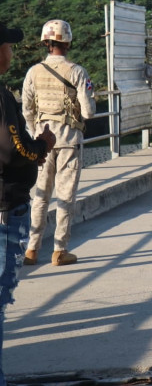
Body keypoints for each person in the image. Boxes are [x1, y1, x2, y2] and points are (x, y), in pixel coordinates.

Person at [0, 22, 55, 383]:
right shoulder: (1, 95)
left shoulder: (31, 75)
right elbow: (12, 149)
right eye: (6, 45)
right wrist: (42, 146)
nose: (10, 52)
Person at [22, 19, 96, 266]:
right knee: (65, 197)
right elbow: (88, 112)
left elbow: (27, 109)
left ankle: (32, 249)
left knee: (41, 196)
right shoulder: (76, 71)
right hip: (69, 141)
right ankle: (59, 251)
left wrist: (36, 135)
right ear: (68, 42)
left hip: (42, 143)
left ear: (46, 42)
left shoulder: (33, 72)